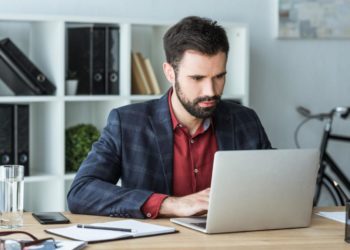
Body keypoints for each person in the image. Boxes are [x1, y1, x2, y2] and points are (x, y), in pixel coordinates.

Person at [67, 16, 272, 219]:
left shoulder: (245, 120)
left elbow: (276, 182)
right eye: (197, 78)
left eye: (219, 76)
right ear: (170, 73)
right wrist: (170, 204)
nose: (210, 91)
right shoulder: (127, 123)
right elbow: (81, 192)